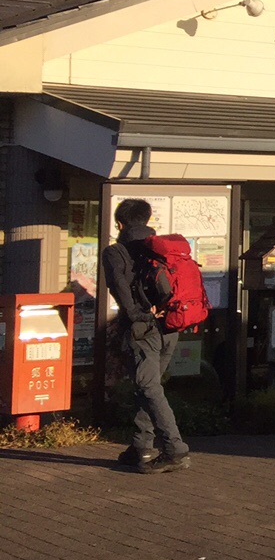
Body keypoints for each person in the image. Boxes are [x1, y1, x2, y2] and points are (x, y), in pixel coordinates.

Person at [103, 199, 189, 474]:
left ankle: (174, 449)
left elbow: (120, 289)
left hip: (144, 329)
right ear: (148, 219)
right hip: (170, 326)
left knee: (149, 388)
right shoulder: (160, 249)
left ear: (119, 224)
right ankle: (141, 445)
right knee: (149, 386)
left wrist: (139, 317)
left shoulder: (116, 252)